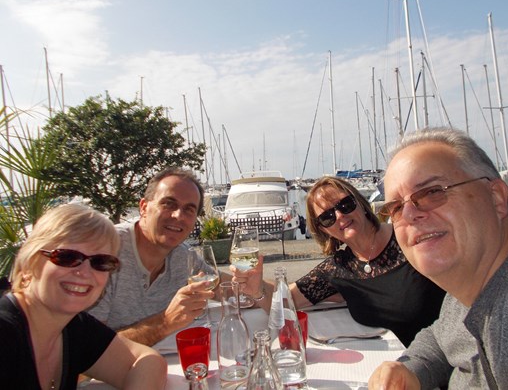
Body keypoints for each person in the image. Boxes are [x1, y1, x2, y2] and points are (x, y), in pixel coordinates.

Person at [369, 127, 508, 389]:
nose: (409, 215)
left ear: (496, 197)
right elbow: (441, 341)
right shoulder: (465, 291)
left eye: (432, 192)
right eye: (395, 207)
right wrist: (409, 368)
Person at [232, 176, 445, 346]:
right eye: (327, 217)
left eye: (345, 205)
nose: (340, 216)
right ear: (323, 230)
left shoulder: (406, 237)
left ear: (360, 204)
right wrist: (256, 288)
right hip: (395, 367)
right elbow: (285, 300)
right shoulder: (338, 269)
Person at [0, 204, 167, 389]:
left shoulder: (72, 326)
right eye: (67, 257)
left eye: (100, 262)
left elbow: (147, 360)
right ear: (31, 262)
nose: (84, 272)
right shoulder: (6, 333)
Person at [89, 167, 220, 346]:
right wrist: (165, 322)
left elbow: (222, 286)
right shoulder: (106, 252)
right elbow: (88, 351)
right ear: (143, 207)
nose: (178, 216)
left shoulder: (182, 256)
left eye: (189, 210)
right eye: (169, 204)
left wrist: (254, 289)